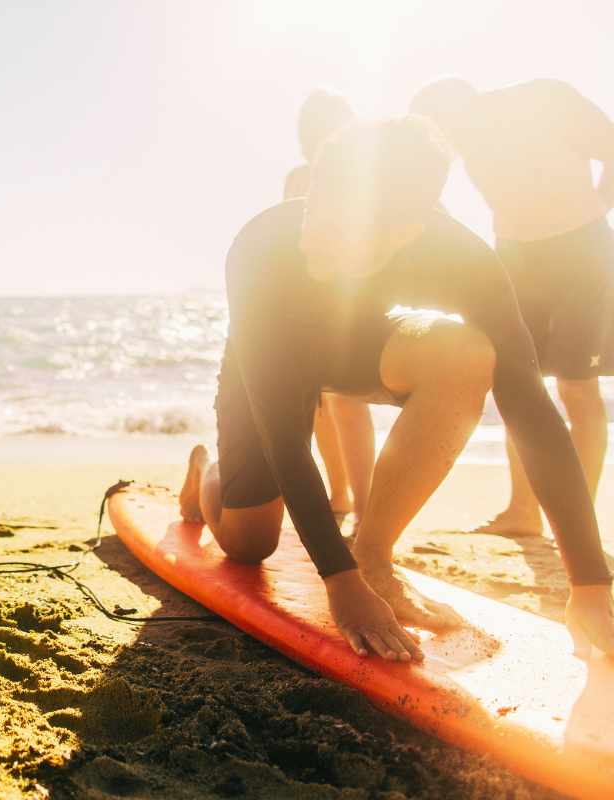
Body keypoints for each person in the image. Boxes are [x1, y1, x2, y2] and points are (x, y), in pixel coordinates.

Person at [179, 117, 614, 661]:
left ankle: (377, 556)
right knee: (250, 544)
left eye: (342, 229)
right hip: (268, 355)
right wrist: (338, 583)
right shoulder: (262, 245)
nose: (315, 236)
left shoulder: (464, 259)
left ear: (408, 229)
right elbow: (284, 435)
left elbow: (529, 405)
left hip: (355, 341)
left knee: (468, 355)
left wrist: (589, 585)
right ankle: (206, 476)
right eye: (318, 211)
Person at [412, 78, 614, 537]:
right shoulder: (457, 140)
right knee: (518, 382)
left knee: (577, 386)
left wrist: (594, 209)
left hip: (582, 251)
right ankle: (523, 513)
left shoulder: (545, 98)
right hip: (516, 257)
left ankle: (575, 523)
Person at [281, 89, 374, 527]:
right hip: (309, 305)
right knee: (319, 403)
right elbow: (285, 239)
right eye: (310, 130)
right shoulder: (299, 177)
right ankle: (340, 495)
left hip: (355, 302)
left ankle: (368, 504)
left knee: (348, 400)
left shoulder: (369, 176)